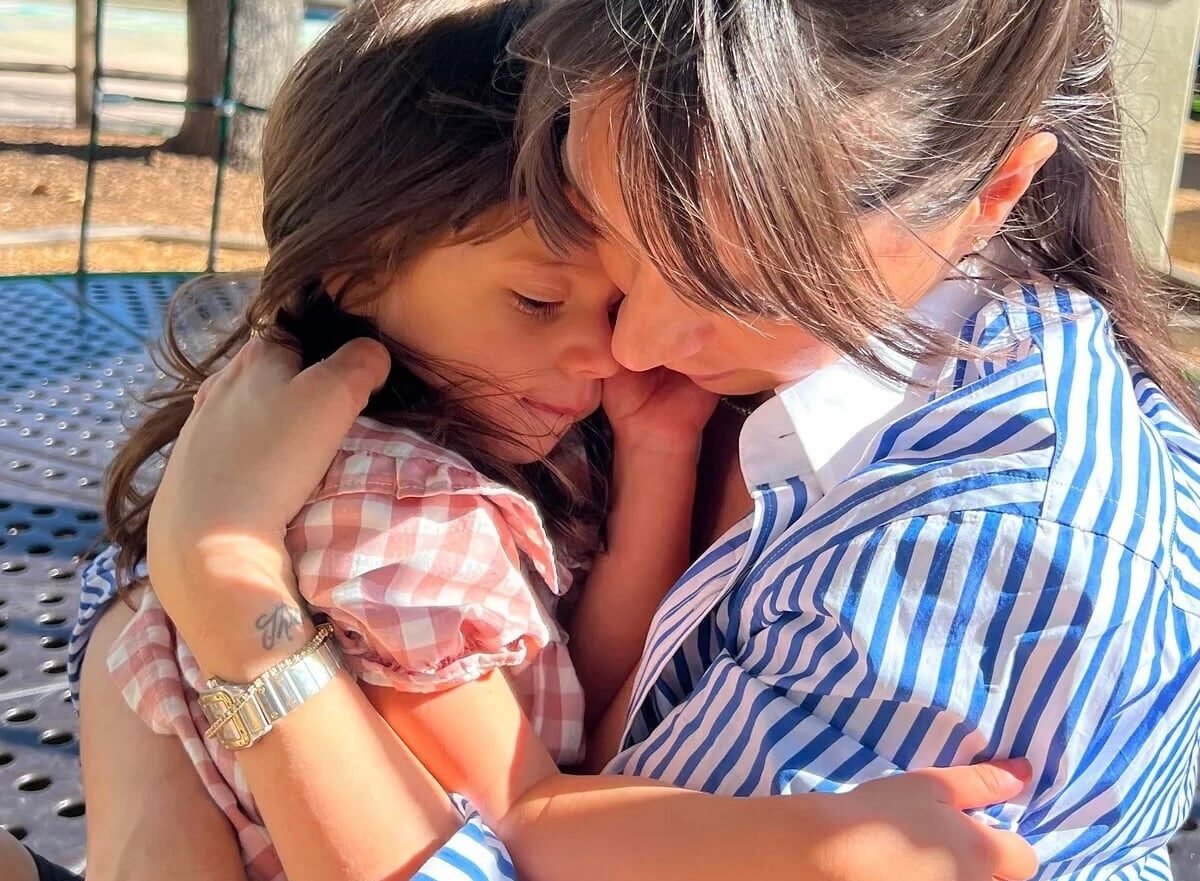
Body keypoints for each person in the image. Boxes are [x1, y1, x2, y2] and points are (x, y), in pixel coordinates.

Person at [120, 0, 1200, 877]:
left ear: (994, 189)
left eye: (732, 283)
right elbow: (559, 762)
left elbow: (542, 792)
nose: (626, 344)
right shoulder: (429, 477)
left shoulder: (1015, 562)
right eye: (618, 245)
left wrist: (221, 581)